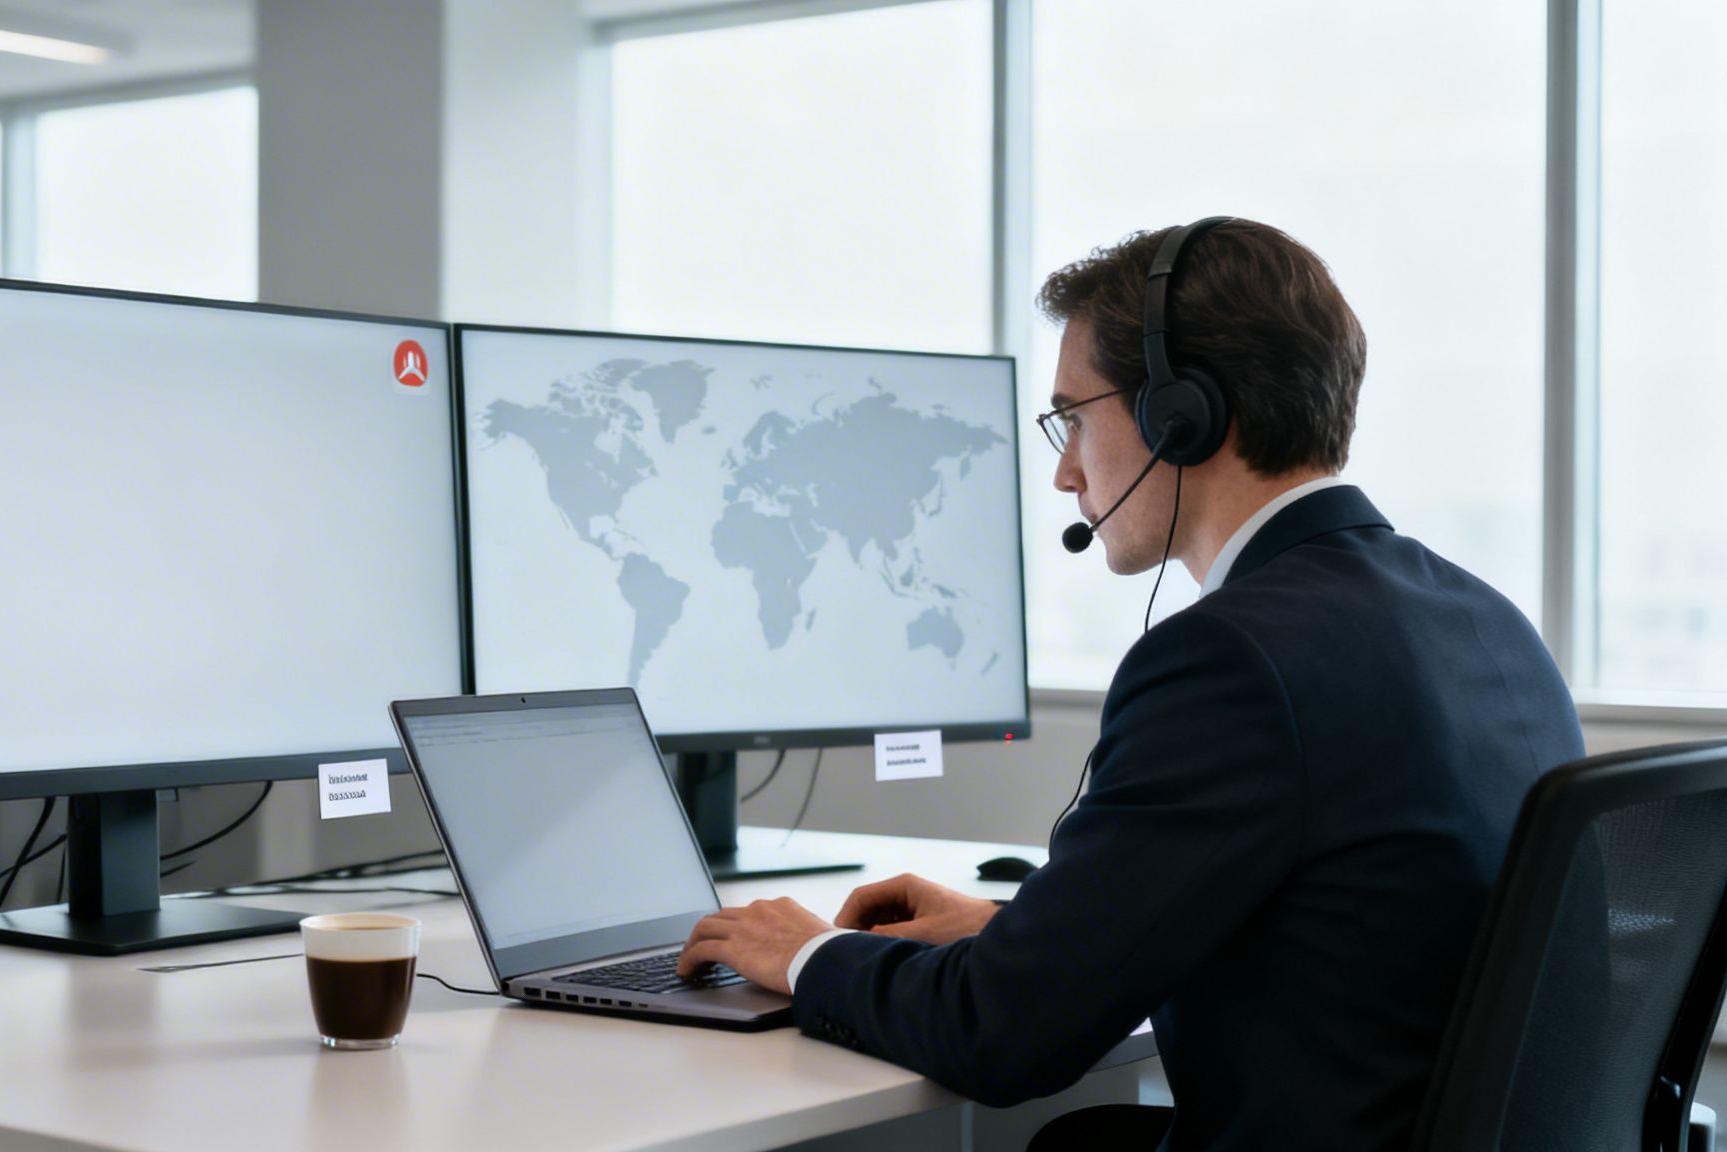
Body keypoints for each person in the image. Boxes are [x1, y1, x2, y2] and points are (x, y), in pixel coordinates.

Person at [676, 218, 1585, 1151]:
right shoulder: (1482, 618)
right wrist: (1012, 928)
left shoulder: (1230, 660)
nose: (1067, 470)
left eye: (1075, 417)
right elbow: (1340, 923)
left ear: (1180, 415)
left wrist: (811, 955)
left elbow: (1004, 1038)